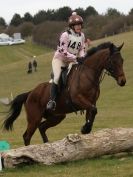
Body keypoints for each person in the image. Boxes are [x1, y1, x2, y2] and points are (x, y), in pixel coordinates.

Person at [46, 12, 91, 110]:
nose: (79, 27)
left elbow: (81, 49)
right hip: (60, 59)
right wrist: (76, 58)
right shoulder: (65, 35)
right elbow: (63, 51)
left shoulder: (82, 36)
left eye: (80, 25)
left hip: (72, 60)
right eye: (76, 25)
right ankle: (52, 101)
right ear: (72, 26)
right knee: (57, 77)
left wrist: (83, 57)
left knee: (78, 73)